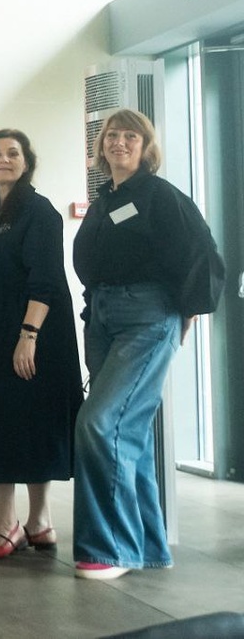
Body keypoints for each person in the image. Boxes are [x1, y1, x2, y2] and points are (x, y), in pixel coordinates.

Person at [71, 109, 224, 580]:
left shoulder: (160, 196)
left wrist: (188, 312)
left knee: (100, 423)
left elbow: (202, 254)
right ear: (102, 146)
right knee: (126, 434)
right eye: (112, 135)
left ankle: (112, 549)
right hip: (103, 318)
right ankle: (148, 545)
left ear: (145, 147)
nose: (119, 142)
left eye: (130, 136)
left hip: (147, 317)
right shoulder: (105, 200)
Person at [0, 130, 83, 559]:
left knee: (31, 423)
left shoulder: (39, 210)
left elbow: (45, 281)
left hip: (32, 333)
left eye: (13, 153)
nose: (4, 159)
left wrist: (27, 337)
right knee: (3, 421)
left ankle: (18, 523)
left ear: (27, 162)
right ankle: (30, 523)